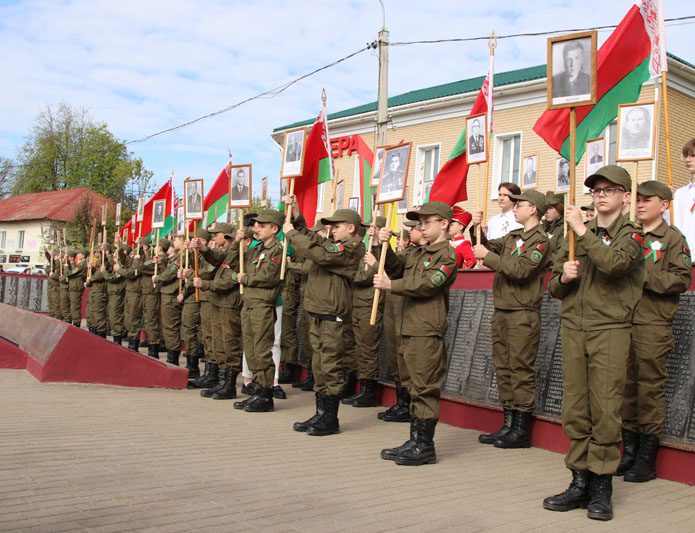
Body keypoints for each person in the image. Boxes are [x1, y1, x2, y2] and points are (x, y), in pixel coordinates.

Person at [544, 165, 644, 521]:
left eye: (609, 189)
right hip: (575, 326)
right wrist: (564, 278)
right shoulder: (575, 236)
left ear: (626, 197)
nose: (601, 195)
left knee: (604, 409)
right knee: (575, 409)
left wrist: (582, 230)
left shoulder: (631, 236)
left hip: (611, 329)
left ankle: (602, 486)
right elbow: (553, 288)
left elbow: (614, 264)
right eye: (596, 190)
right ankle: (579, 480)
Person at [373, 202, 458, 466]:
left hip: (425, 331)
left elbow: (426, 284)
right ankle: (415, 439)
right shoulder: (418, 252)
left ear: (443, 223)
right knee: (412, 386)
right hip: (408, 328)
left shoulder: (447, 256)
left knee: (424, 388)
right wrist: (381, 245)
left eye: (426, 222)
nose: (421, 227)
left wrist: (391, 285)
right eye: (419, 223)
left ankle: (425, 446)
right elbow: (397, 267)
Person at [617, 181, 691, 482]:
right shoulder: (629, 236)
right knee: (625, 388)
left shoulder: (673, 239)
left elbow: (680, 279)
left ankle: (647, 456)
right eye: (638, 200)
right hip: (623, 320)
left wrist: (641, 275)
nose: (641, 205)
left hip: (653, 323)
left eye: (648, 200)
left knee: (649, 388)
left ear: (664, 204)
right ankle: (630, 450)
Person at [474, 190, 550, 448]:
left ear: (534, 209)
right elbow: (489, 245)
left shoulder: (540, 240)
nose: (514, 208)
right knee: (503, 368)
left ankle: (521, 428)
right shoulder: (513, 236)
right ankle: (508, 422)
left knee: (520, 369)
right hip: (503, 309)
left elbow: (521, 270)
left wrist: (488, 256)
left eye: (520, 205)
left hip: (522, 313)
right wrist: (477, 230)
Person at [283, 198, 364, 437]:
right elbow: (313, 238)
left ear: (350, 228)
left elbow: (321, 254)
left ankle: (330, 418)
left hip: (332, 314)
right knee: (318, 364)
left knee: (329, 365)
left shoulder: (350, 248)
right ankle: (320, 413)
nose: (331, 230)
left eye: (336, 226)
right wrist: (297, 217)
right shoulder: (332, 243)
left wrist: (291, 235)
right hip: (318, 310)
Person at [231, 210, 284, 412]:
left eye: (262, 226)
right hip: (250, 303)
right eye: (256, 226)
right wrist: (238, 241)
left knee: (262, 350)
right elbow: (235, 260)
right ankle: (256, 390)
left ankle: (265, 394)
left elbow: (269, 277)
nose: (257, 228)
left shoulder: (277, 250)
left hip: (263, 304)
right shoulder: (257, 248)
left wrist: (244, 279)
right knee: (251, 349)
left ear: (274, 229)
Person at [193, 223, 243, 400]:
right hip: (218, 301)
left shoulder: (238, 253)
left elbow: (228, 281)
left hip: (229, 303)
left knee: (229, 342)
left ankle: (229, 385)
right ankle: (222, 382)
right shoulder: (228, 252)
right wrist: (204, 249)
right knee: (218, 342)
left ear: (228, 236)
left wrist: (205, 285)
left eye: (217, 234)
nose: (214, 237)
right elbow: (217, 260)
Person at [342, 217, 387, 408]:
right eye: (369, 227)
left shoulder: (377, 252)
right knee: (355, 347)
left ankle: (368, 391)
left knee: (367, 348)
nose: (371, 231)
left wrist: (350, 274)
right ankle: (354, 384)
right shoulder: (364, 249)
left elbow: (364, 275)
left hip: (369, 304)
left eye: (374, 228)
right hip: (356, 303)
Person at [153, 238, 183, 366]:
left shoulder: (180, 258)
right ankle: (171, 358)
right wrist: (160, 261)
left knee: (171, 328)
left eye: (176, 240)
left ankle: (173, 360)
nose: (173, 243)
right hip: (167, 294)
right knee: (167, 327)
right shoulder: (175, 257)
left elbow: (169, 274)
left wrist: (157, 278)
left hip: (171, 295)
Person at [673, 138, 695, 256]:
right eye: (686, 156)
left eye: (693, 155)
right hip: (683, 259)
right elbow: (675, 224)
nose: (688, 159)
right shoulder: (680, 193)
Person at [544, 193, 565, 259]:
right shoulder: (543, 227)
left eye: (550, 208)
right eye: (545, 208)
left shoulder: (565, 228)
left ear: (560, 209)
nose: (546, 211)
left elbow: (561, 255)